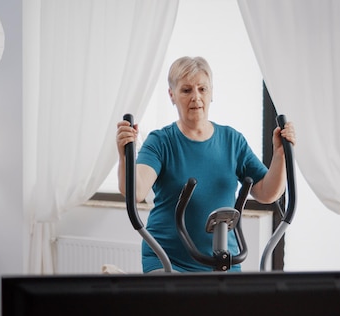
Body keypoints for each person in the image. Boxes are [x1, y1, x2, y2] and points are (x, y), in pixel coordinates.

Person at [116, 56, 296, 272]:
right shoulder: (161, 141)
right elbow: (135, 191)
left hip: (222, 260)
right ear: (171, 95)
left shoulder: (232, 141)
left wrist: (280, 155)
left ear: (212, 93)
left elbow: (268, 192)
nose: (196, 97)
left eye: (202, 89)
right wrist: (125, 155)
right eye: (186, 90)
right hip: (167, 259)